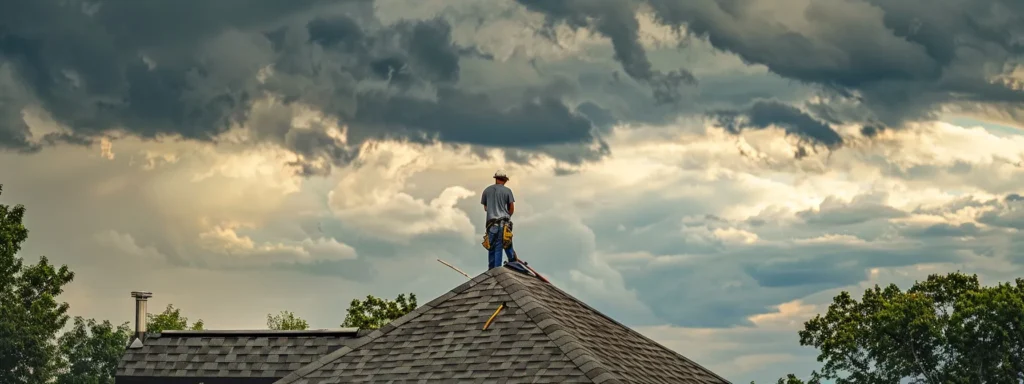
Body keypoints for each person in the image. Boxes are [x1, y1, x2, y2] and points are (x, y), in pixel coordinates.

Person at [481, 169, 518, 269]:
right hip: (503, 223)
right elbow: (511, 208)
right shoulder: (507, 191)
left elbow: (485, 207)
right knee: (503, 245)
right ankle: (511, 264)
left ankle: (491, 271)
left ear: (496, 179)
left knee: (491, 247)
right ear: (505, 180)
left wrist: (493, 211)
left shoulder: (487, 190)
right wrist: (507, 216)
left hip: (491, 224)